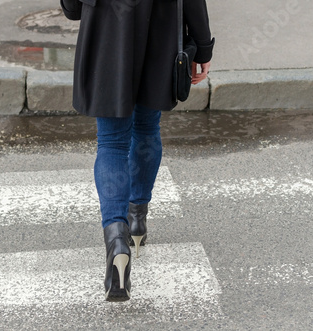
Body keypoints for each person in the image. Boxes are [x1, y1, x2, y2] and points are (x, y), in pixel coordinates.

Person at [61, 0, 214, 302]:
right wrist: (203, 44)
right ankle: (137, 221)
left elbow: (72, 6)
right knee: (147, 127)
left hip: (108, 24)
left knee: (112, 141)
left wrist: (73, 7)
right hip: (162, 22)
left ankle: (117, 241)